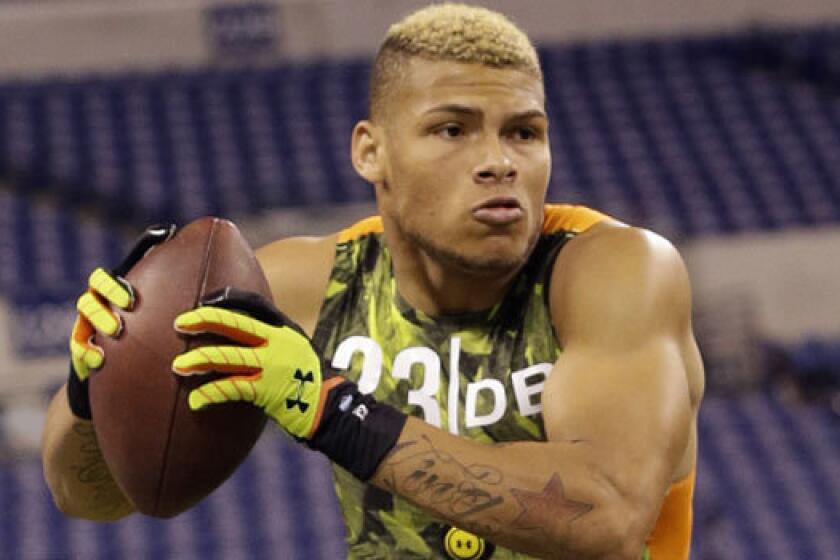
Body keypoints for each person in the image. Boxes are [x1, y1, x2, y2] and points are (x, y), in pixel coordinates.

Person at [41, 4, 704, 559]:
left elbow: (608, 515)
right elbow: (94, 496)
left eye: (524, 134)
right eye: (453, 129)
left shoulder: (613, 272)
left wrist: (333, 412)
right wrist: (92, 385)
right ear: (370, 152)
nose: (499, 162)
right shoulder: (303, 286)